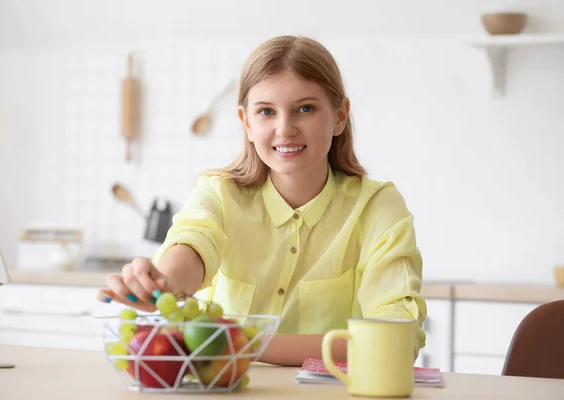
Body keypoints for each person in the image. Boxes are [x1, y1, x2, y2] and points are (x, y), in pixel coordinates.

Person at [97, 35, 427, 367]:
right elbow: (194, 244)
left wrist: (242, 343)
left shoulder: (377, 207)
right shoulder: (219, 193)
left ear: (340, 116)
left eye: (305, 108)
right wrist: (161, 284)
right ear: (247, 123)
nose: (285, 129)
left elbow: (394, 338)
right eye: (267, 111)